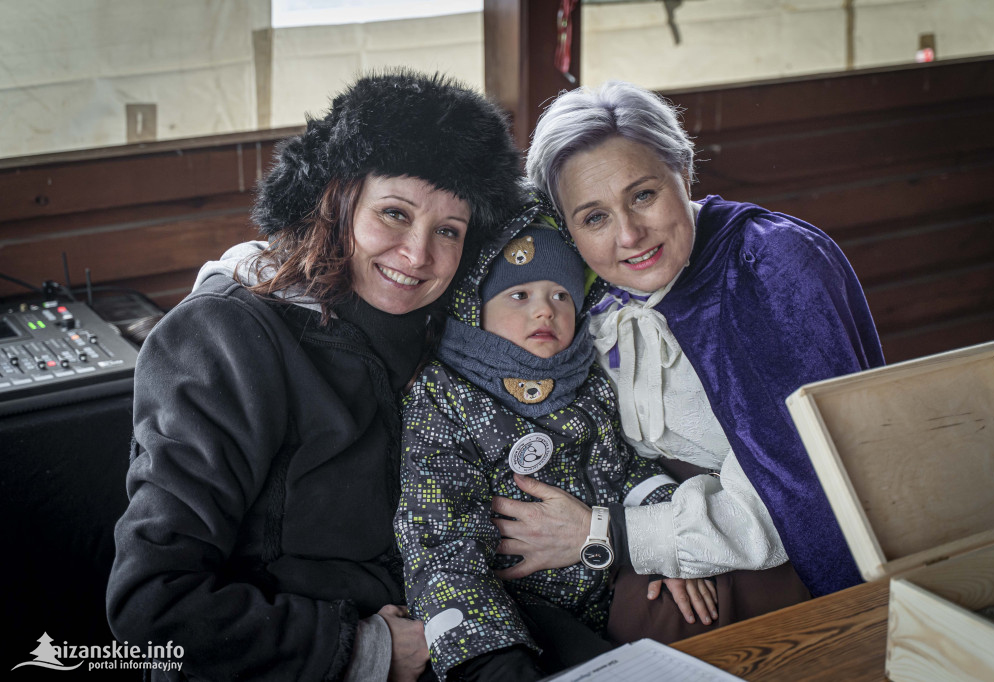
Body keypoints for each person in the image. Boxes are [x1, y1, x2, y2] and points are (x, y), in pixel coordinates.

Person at [105, 71, 522, 681]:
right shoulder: (226, 337)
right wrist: (363, 650)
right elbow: (153, 604)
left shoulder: (448, 329)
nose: (417, 255)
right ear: (335, 199)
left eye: (448, 231)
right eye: (394, 214)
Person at [490, 80, 885, 643]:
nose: (629, 234)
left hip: (786, 555)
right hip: (667, 527)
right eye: (594, 218)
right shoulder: (582, 298)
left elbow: (804, 494)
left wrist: (622, 537)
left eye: (644, 195)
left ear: (684, 169)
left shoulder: (768, 267)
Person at [395, 213, 719, 681]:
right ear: (473, 307)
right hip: (511, 600)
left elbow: (625, 469)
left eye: (561, 295)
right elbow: (440, 534)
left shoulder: (585, 379)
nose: (545, 310)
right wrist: (483, 653)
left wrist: (665, 542)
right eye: (520, 295)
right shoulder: (444, 396)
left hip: (607, 572)